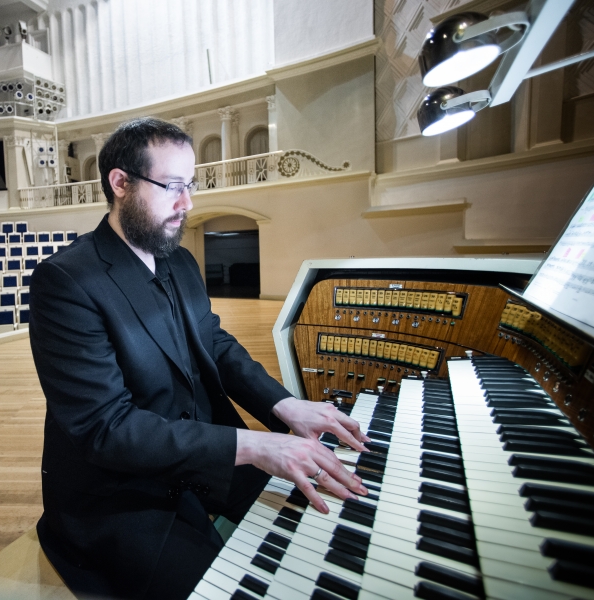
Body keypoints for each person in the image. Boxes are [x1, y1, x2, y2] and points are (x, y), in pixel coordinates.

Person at [30, 117, 369, 599]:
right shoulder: (66, 281)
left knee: (327, 519)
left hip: (204, 451)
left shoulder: (179, 260)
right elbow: (106, 429)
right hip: (121, 489)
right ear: (120, 183)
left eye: (191, 185)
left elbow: (215, 344)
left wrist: (285, 406)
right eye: (172, 186)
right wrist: (255, 446)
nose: (187, 203)